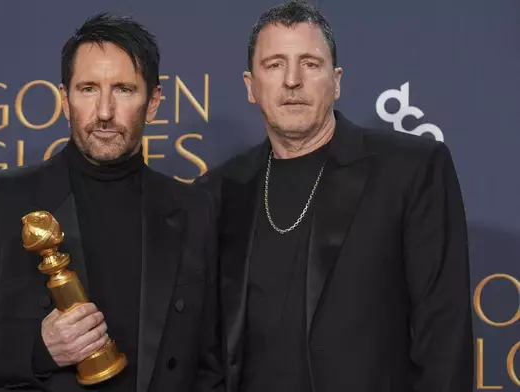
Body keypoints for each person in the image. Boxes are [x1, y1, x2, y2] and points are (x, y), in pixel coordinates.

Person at [0, 13, 223, 392]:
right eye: (88, 89)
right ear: (65, 99)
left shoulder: (194, 209)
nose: (105, 112)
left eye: (124, 90)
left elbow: (211, 365)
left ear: (154, 101)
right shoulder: (3, 199)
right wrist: (38, 346)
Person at [195, 1, 474, 391]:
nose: (292, 80)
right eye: (274, 65)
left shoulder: (411, 169)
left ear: (337, 80)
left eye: (310, 63)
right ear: (250, 86)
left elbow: (444, 338)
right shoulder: (218, 191)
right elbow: (203, 351)